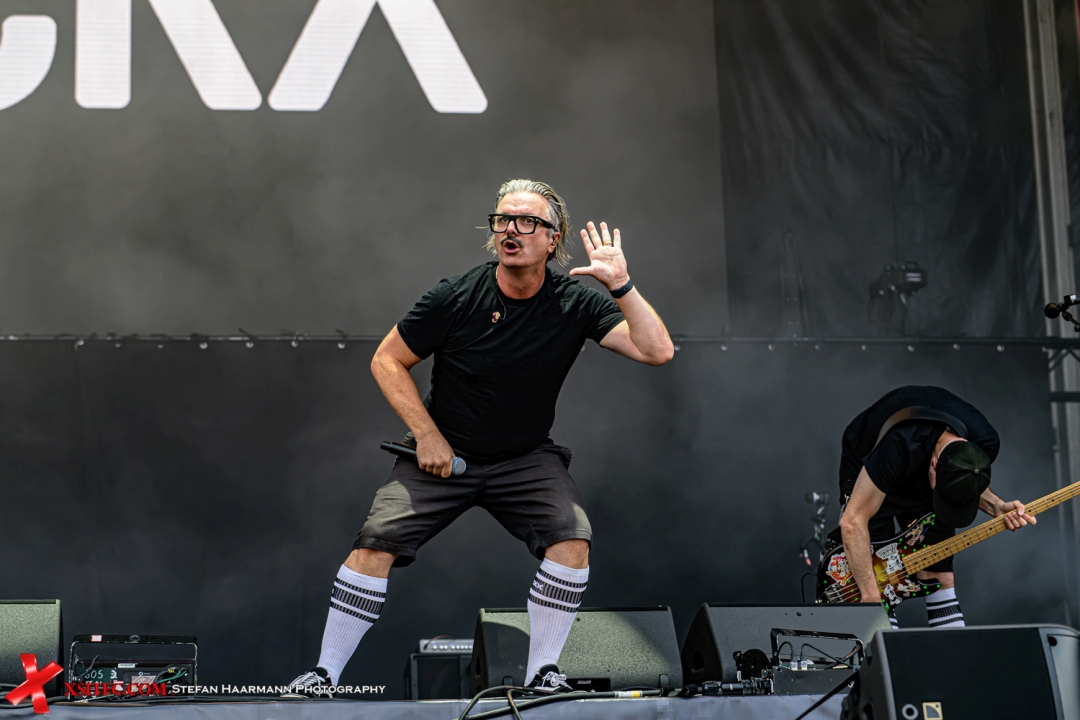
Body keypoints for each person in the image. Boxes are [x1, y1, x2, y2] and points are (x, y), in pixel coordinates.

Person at [291, 179, 674, 693]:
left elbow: (656, 351)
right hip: (443, 451)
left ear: (553, 240)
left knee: (571, 541)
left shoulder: (575, 302)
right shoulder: (455, 295)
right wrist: (428, 437)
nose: (511, 230)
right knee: (374, 545)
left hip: (525, 457)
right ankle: (323, 675)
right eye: (502, 220)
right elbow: (386, 360)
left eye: (527, 222)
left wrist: (621, 285)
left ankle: (543, 674)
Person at [833, 385, 1035, 628]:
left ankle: (951, 650)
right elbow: (852, 522)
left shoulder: (985, 441)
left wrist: (997, 506)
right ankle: (881, 640)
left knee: (940, 577)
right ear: (934, 464)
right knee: (879, 581)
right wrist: (870, 597)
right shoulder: (899, 446)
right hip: (873, 459)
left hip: (918, 461)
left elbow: (963, 476)